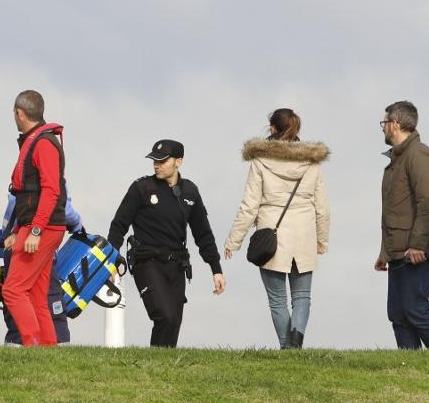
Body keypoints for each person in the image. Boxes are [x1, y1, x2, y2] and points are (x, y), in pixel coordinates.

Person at [223, 109, 330, 349]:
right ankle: (297, 341)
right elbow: (322, 207)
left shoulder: (261, 162)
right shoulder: (312, 163)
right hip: (304, 235)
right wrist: (322, 239)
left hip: (272, 234)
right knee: (302, 297)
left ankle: (286, 347)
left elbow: (249, 206)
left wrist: (234, 241)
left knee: (277, 299)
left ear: (272, 129)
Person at [107, 139, 226, 347]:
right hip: (147, 262)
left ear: (178, 162)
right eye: (154, 160)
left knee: (173, 323)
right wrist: (109, 260)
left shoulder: (190, 192)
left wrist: (216, 269)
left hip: (177, 266)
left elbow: (203, 234)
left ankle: (162, 370)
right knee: (165, 316)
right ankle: (157, 367)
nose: (156, 165)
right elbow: (119, 225)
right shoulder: (141, 188)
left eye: (162, 161)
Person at [376, 100, 429, 349]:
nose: (383, 128)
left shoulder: (419, 155)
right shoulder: (399, 158)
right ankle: (412, 372)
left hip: (415, 250)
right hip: (398, 250)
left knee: (415, 309)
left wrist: (418, 245)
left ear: (395, 124)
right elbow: (396, 210)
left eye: (384, 122)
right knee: (398, 313)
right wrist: (385, 252)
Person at [2, 90, 69, 347]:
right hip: (37, 226)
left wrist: (36, 231)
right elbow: (31, 195)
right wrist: (19, 230)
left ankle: (31, 345)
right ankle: (47, 349)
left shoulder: (42, 143)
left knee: (13, 290)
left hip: (44, 228)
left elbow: (51, 190)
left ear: (19, 113)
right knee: (37, 295)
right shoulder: (37, 140)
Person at [0, 188, 84, 344]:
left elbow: (11, 211)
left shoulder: (22, 179)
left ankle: (18, 342)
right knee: (48, 300)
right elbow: (66, 212)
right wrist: (78, 225)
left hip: (13, 246)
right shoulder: (51, 182)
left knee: (19, 300)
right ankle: (46, 344)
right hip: (37, 247)